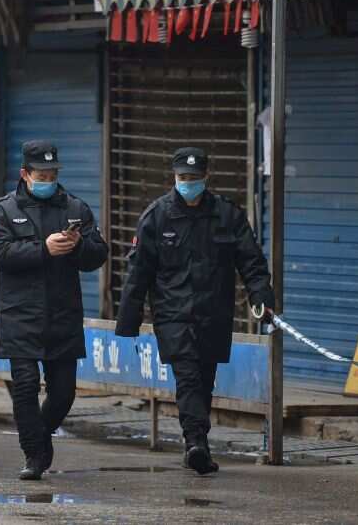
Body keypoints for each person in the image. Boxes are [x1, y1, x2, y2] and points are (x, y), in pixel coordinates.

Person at [115, 147, 275, 475]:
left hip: (214, 313)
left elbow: (252, 262)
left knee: (204, 381)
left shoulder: (227, 215)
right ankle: (196, 443)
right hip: (173, 315)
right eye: (183, 178)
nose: (189, 183)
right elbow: (139, 271)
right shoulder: (157, 216)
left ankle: (198, 440)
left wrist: (261, 296)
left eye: (195, 178)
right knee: (187, 377)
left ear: (206, 177)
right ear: (174, 177)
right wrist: (128, 319)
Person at [0, 140, 108, 480]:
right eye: (42, 174)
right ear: (25, 174)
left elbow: (98, 254)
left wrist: (79, 245)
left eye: (53, 173)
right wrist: (44, 249)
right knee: (24, 386)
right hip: (20, 315)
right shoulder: (1, 211)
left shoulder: (75, 209)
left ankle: (40, 436)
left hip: (63, 315)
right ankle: (34, 455)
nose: (48, 179)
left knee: (64, 392)